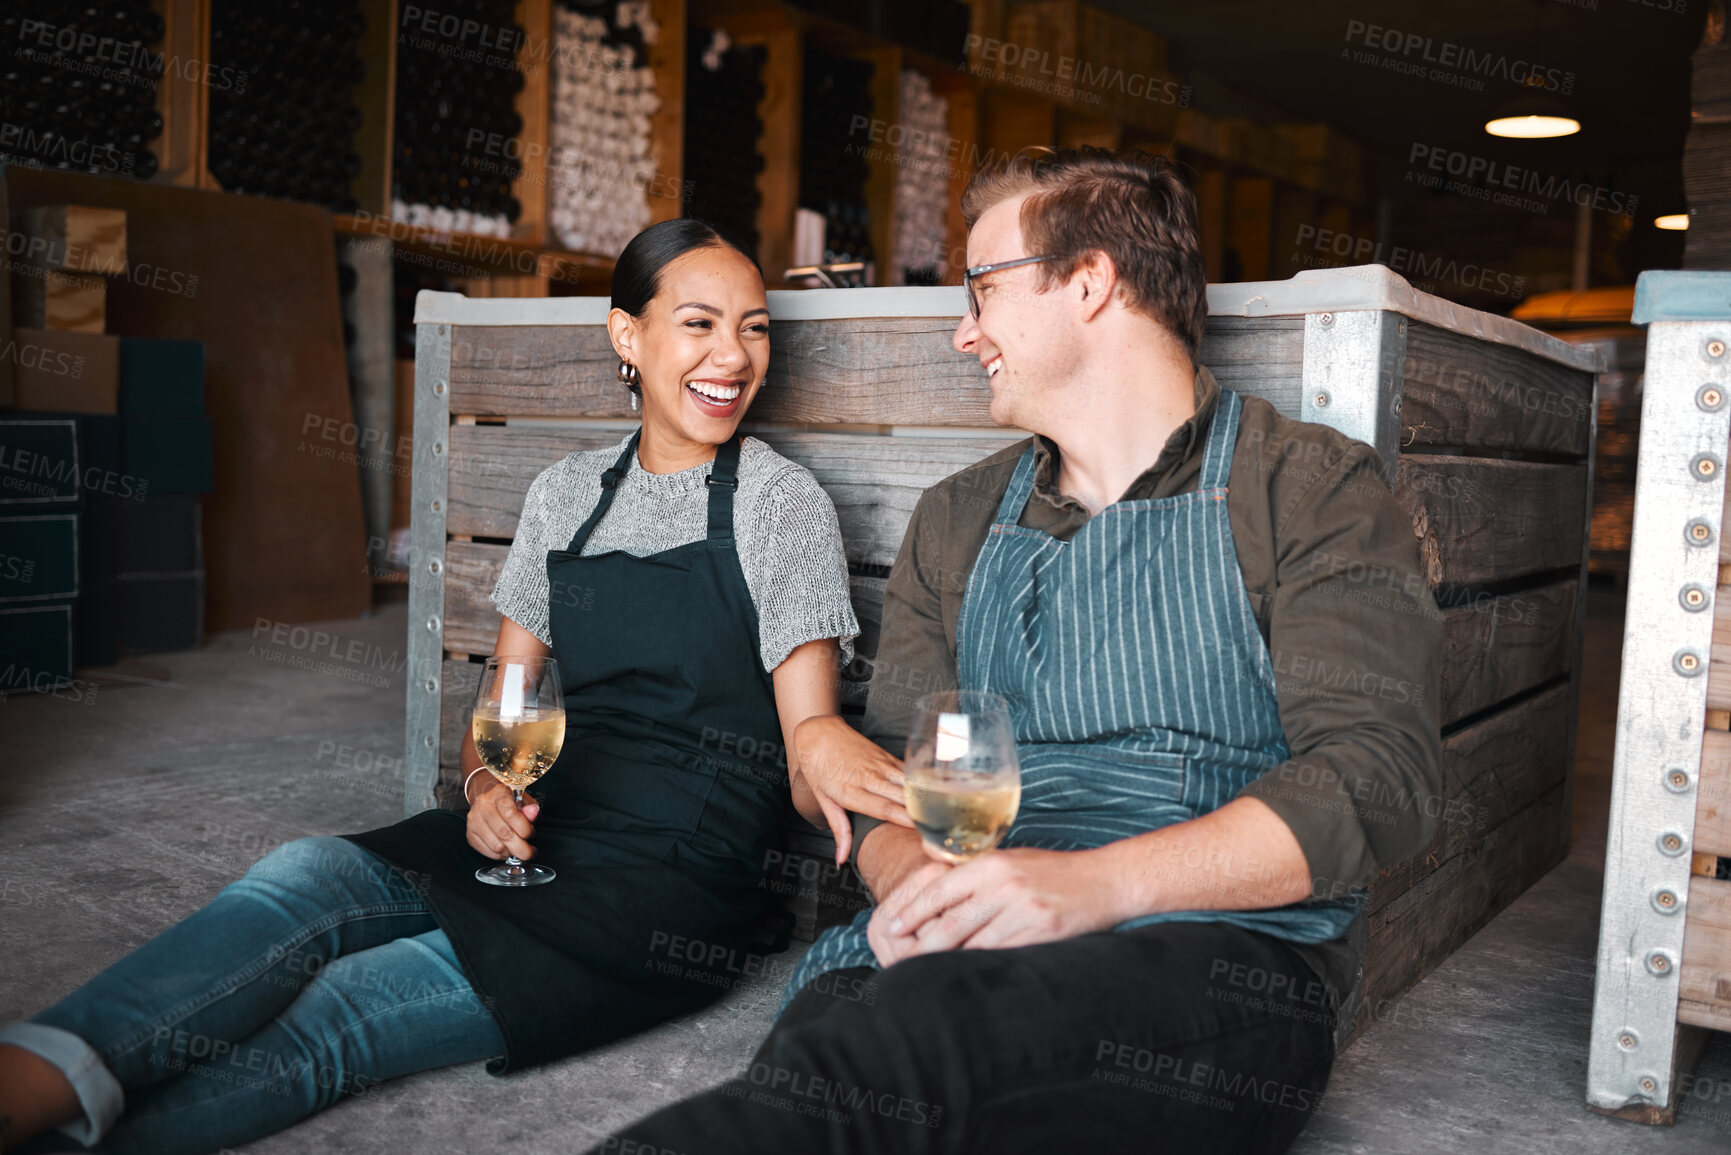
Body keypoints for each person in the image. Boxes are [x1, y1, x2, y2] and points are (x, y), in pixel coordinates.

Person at [589, 147, 1442, 1153]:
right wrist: (919, 887)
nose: (963, 332)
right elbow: (891, 788)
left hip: (1210, 957)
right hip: (951, 938)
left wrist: (1093, 887)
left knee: (881, 1077)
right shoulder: (956, 522)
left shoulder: (1305, 489)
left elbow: (1379, 779)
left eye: (982, 290)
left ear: (1090, 281)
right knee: (818, 1079)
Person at [0, 218, 906, 1155]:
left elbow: (809, 743)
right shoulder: (565, 493)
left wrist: (844, 763)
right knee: (303, 873)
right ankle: (36, 1069)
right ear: (626, 336)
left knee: (347, 1012)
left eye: (754, 327)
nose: (732, 355)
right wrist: (481, 787)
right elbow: (502, 709)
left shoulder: (776, 500)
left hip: (666, 887)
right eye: (700, 324)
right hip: (543, 825)